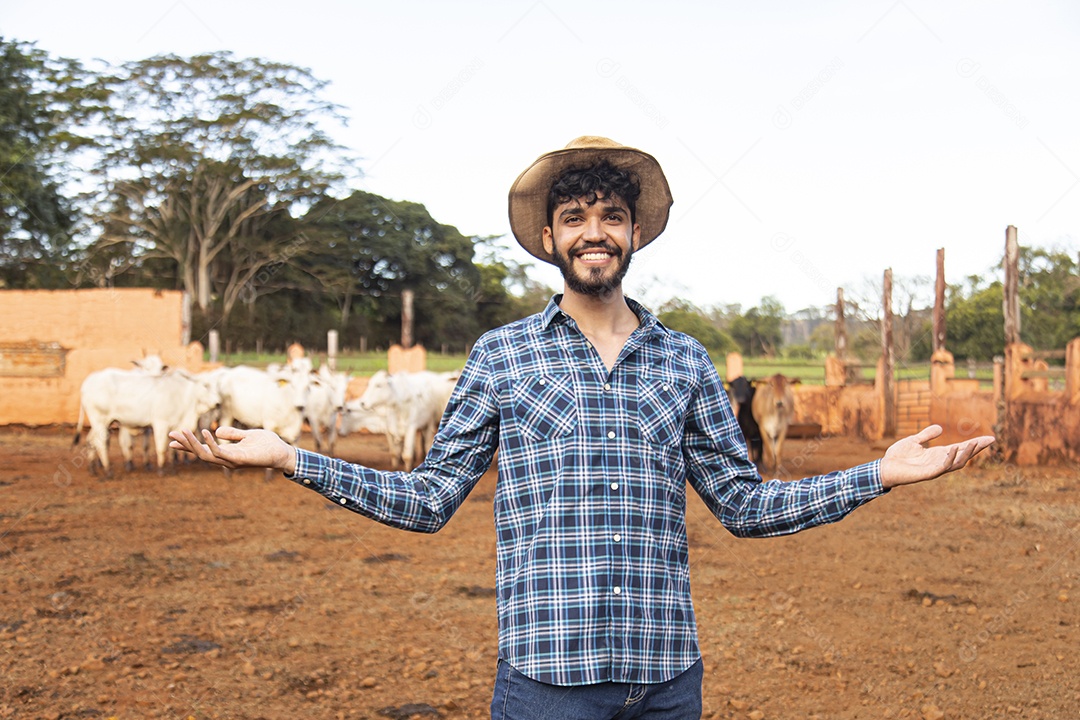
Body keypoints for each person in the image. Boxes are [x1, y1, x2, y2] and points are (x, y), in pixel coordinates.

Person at [170, 136, 995, 720]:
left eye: (610, 215)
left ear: (633, 233)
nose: (593, 230)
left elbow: (743, 507)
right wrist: (291, 456)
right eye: (574, 216)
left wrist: (877, 475)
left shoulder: (684, 361)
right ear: (548, 238)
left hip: (667, 680)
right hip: (544, 685)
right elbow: (426, 501)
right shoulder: (501, 358)